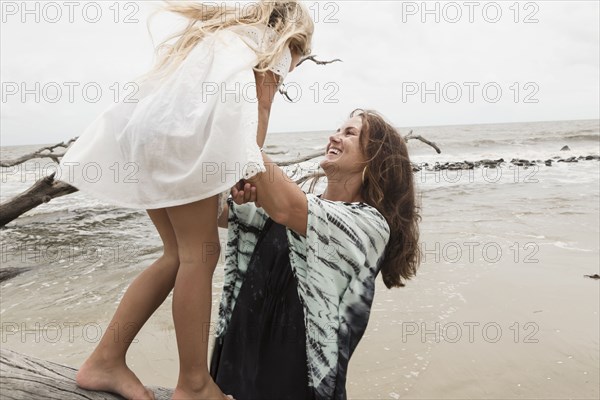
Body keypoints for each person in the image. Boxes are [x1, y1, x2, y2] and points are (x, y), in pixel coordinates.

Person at [56, 1, 314, 399]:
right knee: (202, 253)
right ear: (294, 37)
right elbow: (259, 107)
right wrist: (246, 172)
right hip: (180, 139)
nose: (294, 68)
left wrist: (231, 174)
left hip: (144, 134)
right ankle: (194, 385)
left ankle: (105, 360)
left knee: (176, 254)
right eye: (301, 59)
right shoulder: (273, 44)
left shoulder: (219, 39)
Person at [209, 109, 422, 399]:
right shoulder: (294, 205)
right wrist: (231, 186)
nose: (334, 136)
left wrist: (244, 133)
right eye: (337, 129)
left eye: (350, 133)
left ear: (375, 157)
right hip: (237, 375)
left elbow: (288, 207)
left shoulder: (368, 224)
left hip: (296, 387)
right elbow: (216, 212)